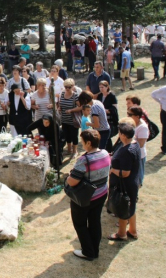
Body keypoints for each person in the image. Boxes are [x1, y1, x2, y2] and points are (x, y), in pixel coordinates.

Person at [66, 129, 110, 260]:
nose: (81, 143)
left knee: (80, 224)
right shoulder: (105, 153)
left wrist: (68, 177)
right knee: (95, 221)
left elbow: (73, 181)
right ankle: (94, 250)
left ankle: (88, 252)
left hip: (85, 198)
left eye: (83, 141)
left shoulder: (84, 160)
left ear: (89, 143)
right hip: (101, 193)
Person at [107, 122, 141, 242]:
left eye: (120, 133)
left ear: (124, 135)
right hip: (132, 183)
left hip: (125, 184)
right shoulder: (134, 144)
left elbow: (125, 172)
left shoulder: (128, 151)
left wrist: (112, 170)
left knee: (123, 207)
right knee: (131, 206)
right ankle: (132, 230)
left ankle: (121, 234)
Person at [127, 106, 149, 186]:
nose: (128, 116)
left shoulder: (143, 127)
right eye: (128, 114)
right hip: (131, 154)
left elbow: (141, 144)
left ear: (137, 116)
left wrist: (129, 139)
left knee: (138, 177)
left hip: (139, 156)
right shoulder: (132, 123)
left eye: (130, 114)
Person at [59, 78, 80, 156]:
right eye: (66, 87)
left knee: (74, 136)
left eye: (69, 87)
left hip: (73, 120)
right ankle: (68, 150)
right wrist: (59, 108)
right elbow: (61, 104)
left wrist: (71, 110)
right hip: (64, 119)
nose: (67, 88)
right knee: (67, 135)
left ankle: (74, 151)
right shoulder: (62, 94)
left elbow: (80, 107)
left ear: (73, 86)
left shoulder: (75, 95)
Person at [96, 81, 119, 152]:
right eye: (100, 87)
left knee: (107, 136)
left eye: (102, 87)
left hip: (110, 119)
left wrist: (105, 110)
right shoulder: (99, 96)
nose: (101, 89)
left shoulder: (112, 96)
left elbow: (114, 108)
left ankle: (109, 150)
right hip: (101, 119)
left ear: (107, 87)